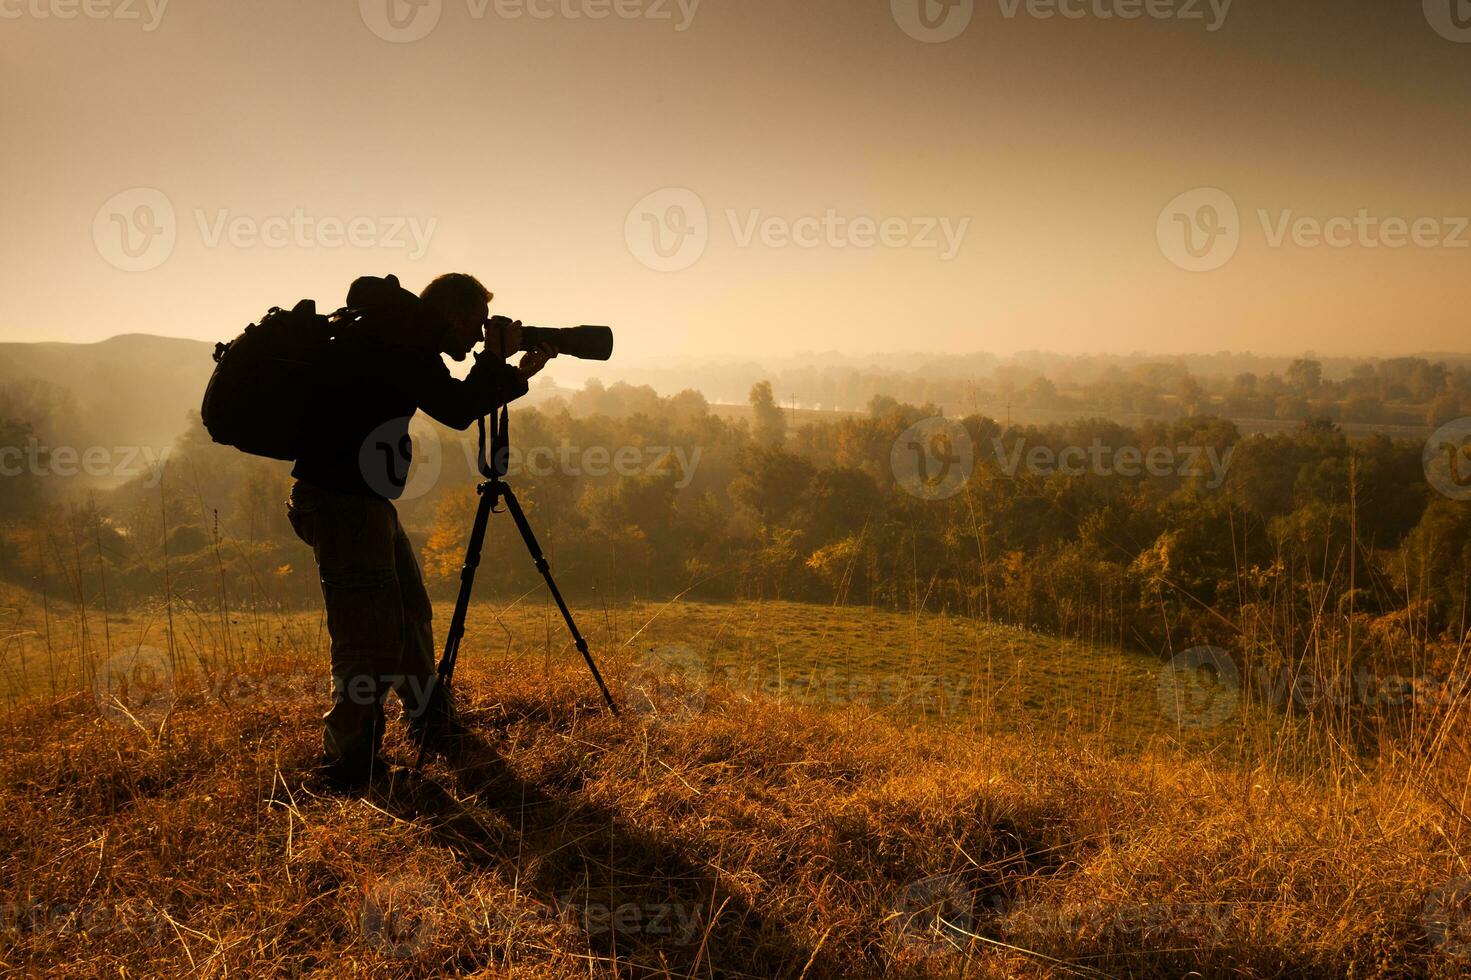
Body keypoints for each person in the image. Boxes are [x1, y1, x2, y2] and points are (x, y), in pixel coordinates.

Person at [285, 273, 555, 792]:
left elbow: (454, 400)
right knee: (368, 638)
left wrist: (514, 371)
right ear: (453, 317)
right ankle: (350, 764)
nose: (477, 338)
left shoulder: (400, 338)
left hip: (360, 501)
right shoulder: (400, 342)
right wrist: (499, 364)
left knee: (410, 612)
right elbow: (454, 410)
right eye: (476, 326)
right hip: (343, 503)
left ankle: (430, 721)